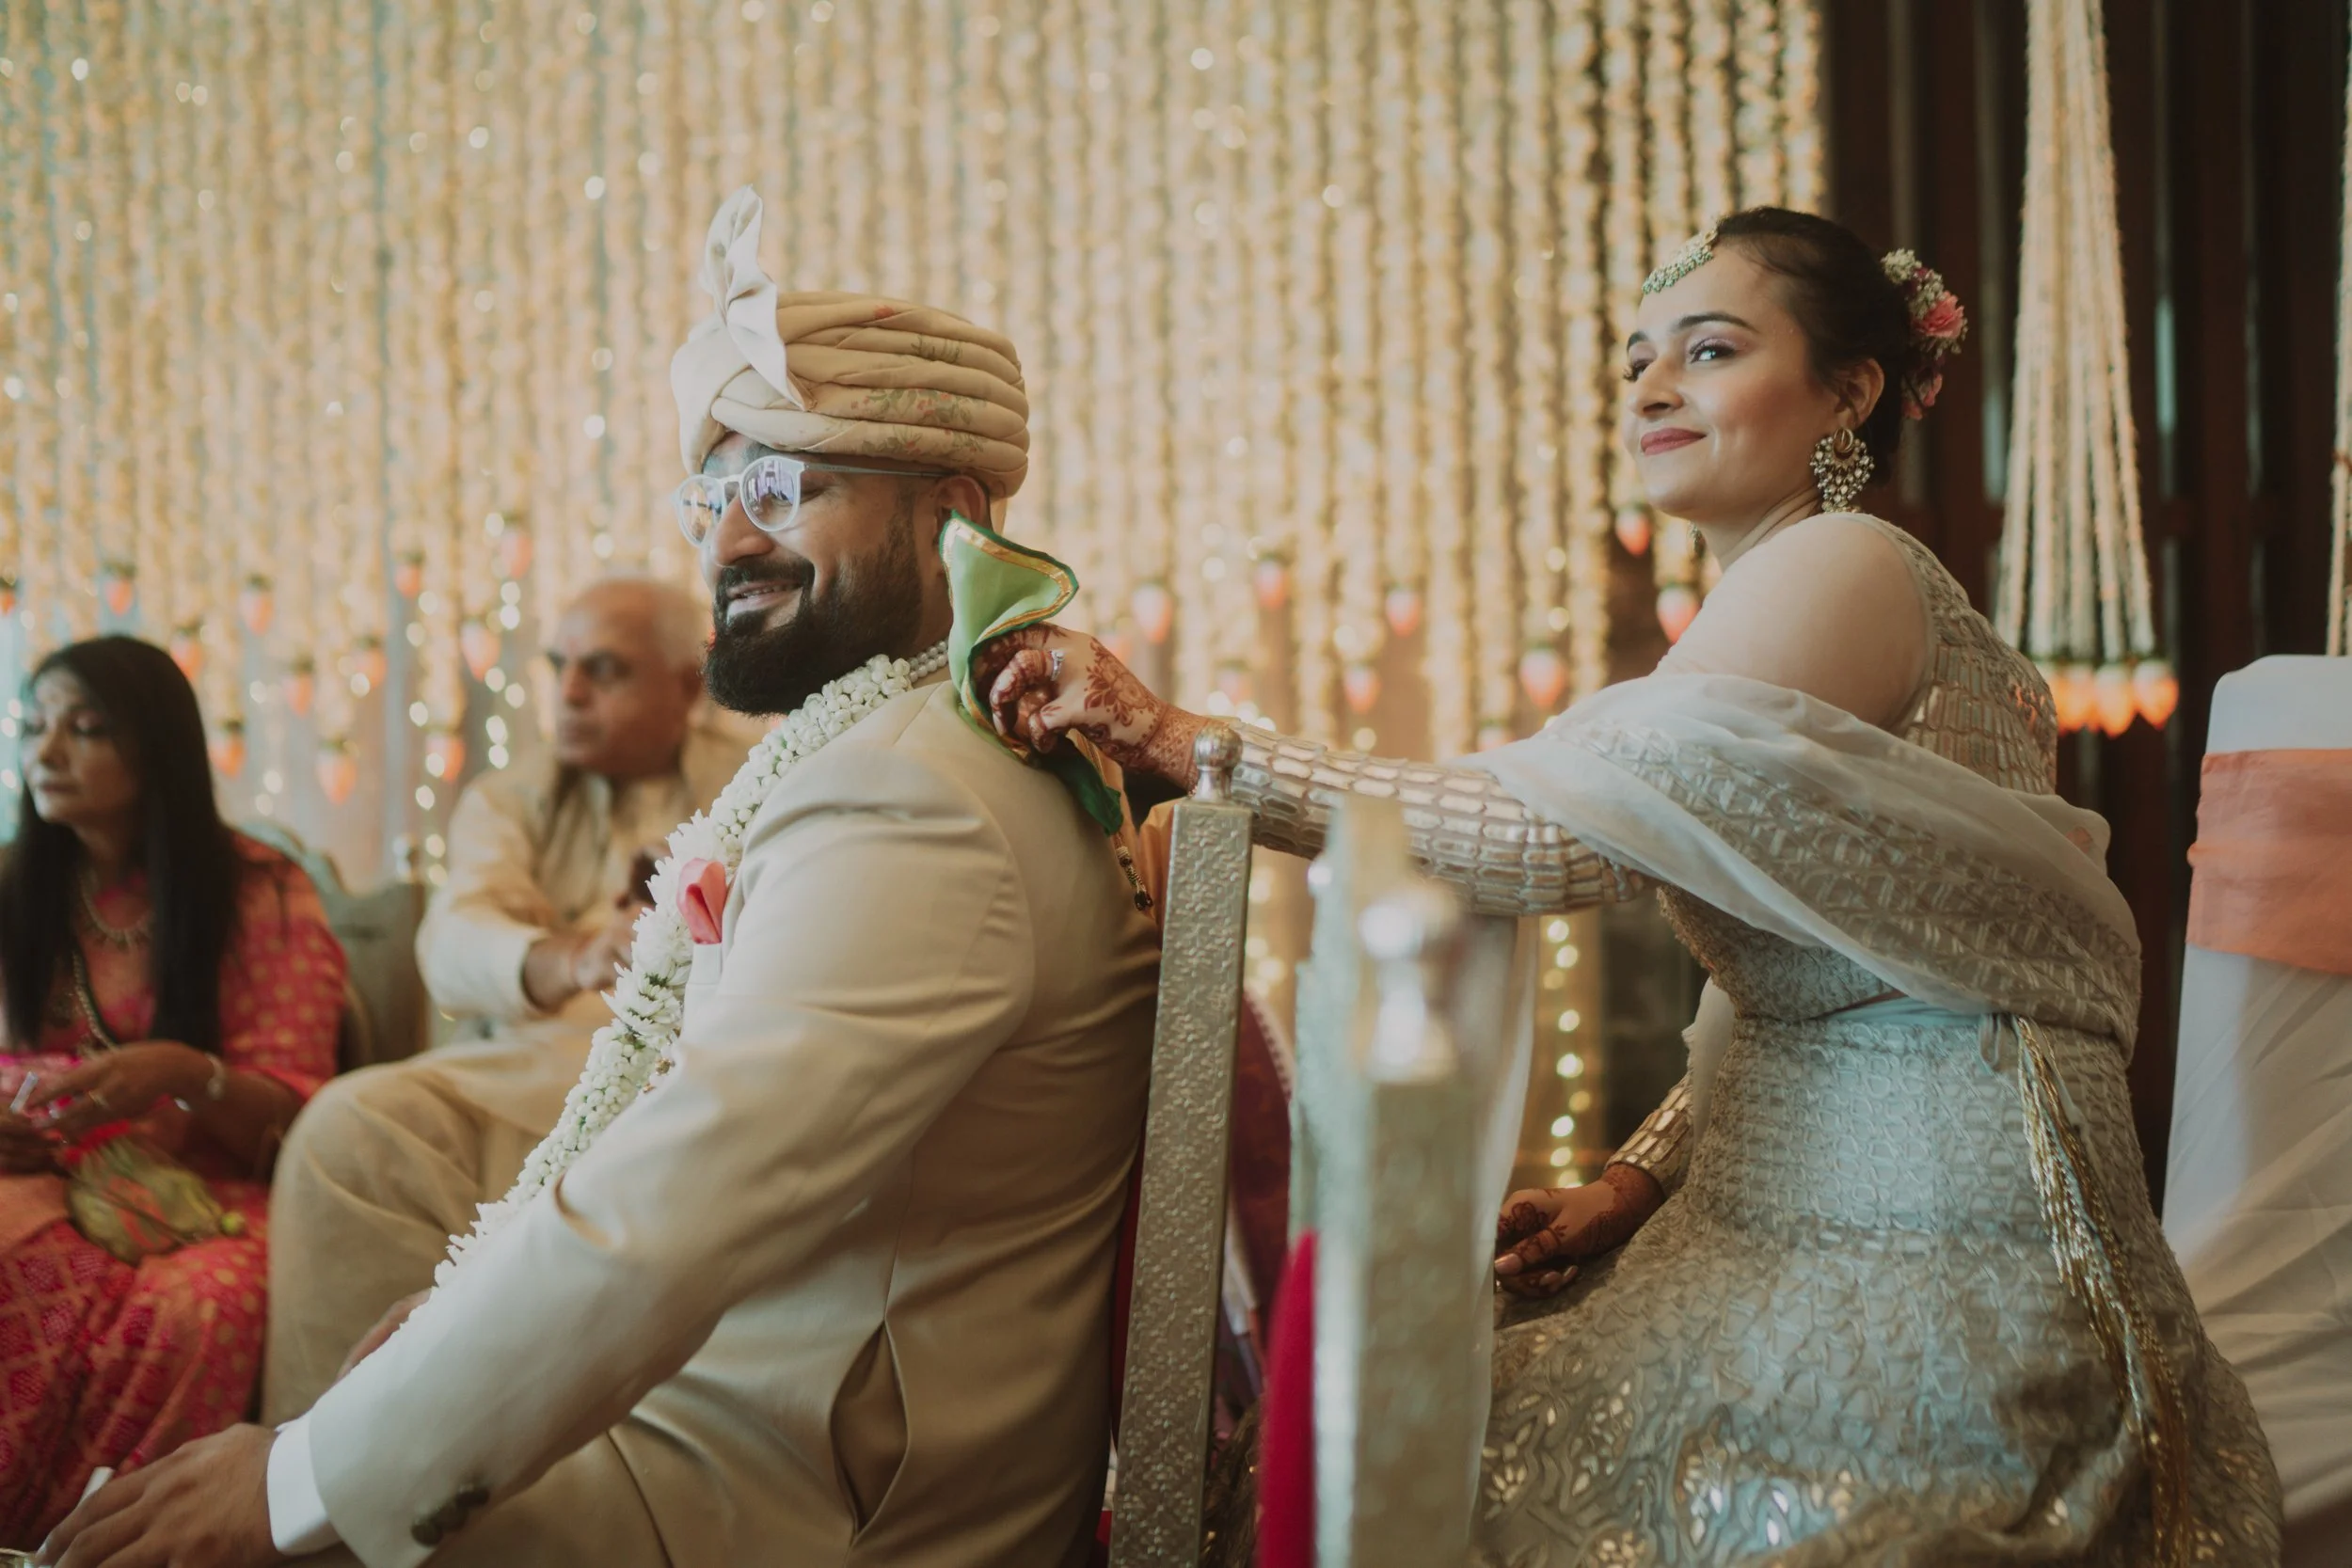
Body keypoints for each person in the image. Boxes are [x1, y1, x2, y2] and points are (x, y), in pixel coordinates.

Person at [982, 210, 2281, 1563]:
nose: (1655, 388)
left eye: (1709, 351)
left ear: (1852, 389)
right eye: (1636, 362)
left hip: (1925, 1233)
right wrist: (1636, 1176)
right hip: (1792, 1200)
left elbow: (1551, 844)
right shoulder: (1819, 592)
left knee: (1474, 1471)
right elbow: (1825, 974)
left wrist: (1194, 745)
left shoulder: (1842, 564)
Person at [39, 186, 1159, 1568]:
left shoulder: (915, 793)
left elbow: (674, 1210)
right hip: (761, 1401)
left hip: (807, 1487)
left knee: (252, 1524)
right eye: (712, 494)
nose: (726, 542)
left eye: (780, 488)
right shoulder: (913, 740)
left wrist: (295, 1484)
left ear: (953, 516)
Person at [262, 577, 747, 1422]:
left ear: (686, 684)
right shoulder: (510, 797)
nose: (567, 692)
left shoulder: (758, 778)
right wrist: (570, 958)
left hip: (691, 1074)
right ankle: (317, 1472)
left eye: (603, 670)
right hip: (518, 1065)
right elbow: (450, 942)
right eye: (559, 665)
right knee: (349, 1125)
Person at [0, 636, 344, 1546]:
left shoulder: (264, 891)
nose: (45, 751)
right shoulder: (13, 883)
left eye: (84, 727)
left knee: (200, 1308)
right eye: (34, 727)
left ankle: (98, 1541)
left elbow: (303, 1109)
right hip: (40, 1171)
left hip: (209, 1193)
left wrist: (187, 1073)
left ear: (155, 743)